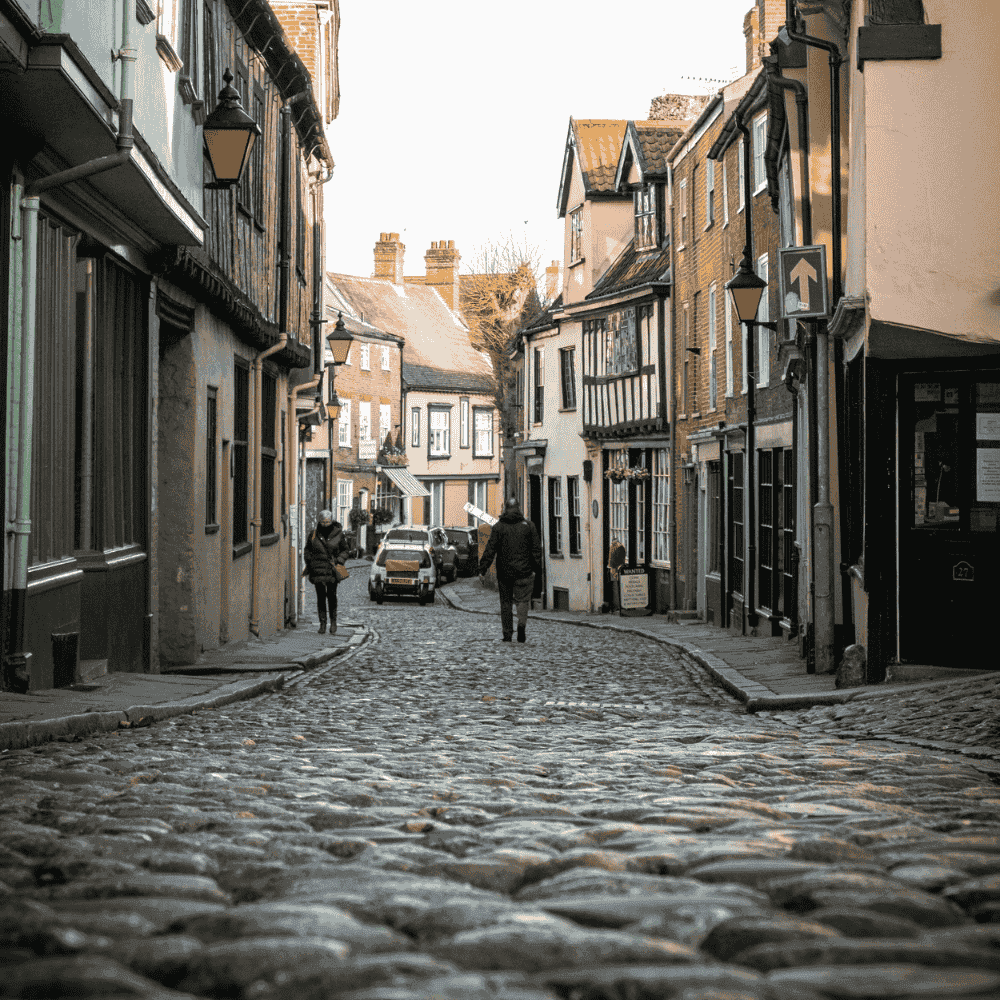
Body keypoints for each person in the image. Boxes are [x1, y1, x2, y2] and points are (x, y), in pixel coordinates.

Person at [479, 498, 542, 643]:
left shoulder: (499, 527)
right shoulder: (529, 526)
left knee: (506, 604)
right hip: (525, 572)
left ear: (505, 509)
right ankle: (521, 625)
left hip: (505, 573)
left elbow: (490, 550)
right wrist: (535, 569)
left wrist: (482, 569)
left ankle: (507, 634)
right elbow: (536, 550)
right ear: (519, 508)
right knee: (523, 601)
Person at [302, 509, 348, 634]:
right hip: (317, 570)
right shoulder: (313, 534)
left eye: (327, 521)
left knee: (332, 596)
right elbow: (307, 550)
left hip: (332, 570)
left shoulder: (339, 534)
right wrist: (310, 561)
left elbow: (345, 550)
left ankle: (333, 622)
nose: (325, 524)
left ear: (331, 521)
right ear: (319, 521)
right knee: (320, 597)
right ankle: (322, 623)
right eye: (323, 522)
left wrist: (339, 560)